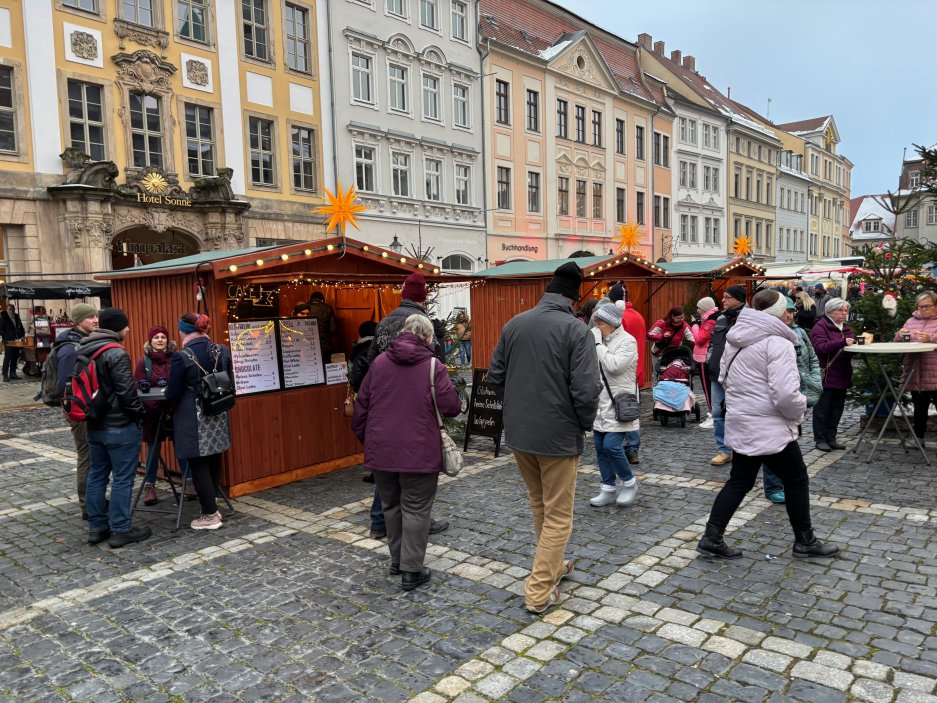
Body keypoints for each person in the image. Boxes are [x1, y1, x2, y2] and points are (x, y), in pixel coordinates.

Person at [487, 262, 601, 614]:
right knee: (558, 515)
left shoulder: (515, 323)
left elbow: (495, 377)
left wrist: (521, 403)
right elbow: (586, 390)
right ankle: (539, 591)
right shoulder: (576, 330)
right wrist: (581, 423)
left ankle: (551, 568)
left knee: (541, 505)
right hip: (557, 434)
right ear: (573, 298)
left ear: (547, 292)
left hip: (521, 432)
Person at [696, 289, 838, 560]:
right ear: (775, 313)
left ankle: (711, 538)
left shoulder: (736, 339)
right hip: (769, 426)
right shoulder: (778, 343)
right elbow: (785, 393)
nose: (790, 313)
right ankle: (805, 541)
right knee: (796, 479)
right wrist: (800, 409)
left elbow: (724, 378)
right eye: (786, 309)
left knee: (740, 481)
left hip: (743, 421)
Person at [352, 315, 460, 590]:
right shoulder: (433, 366)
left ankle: (397, 561)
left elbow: (361, 405)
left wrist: (368, 439)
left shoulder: (378, 363)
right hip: (420, 451)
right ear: (427, 338)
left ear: (402, 333)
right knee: (416, 508)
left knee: (391, 506)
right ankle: (411, 570)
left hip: (382, 449)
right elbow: (451, 407)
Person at [347, 272, 449, 539]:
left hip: (383, 397)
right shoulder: (422, 322)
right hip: (414, 399)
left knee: (388, 464)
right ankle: (418, 522)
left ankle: (379, 523)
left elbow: (371, 358)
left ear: (403, 294)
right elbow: (435, 359)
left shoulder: (385, 321)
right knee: (414, 471)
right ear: (422, 298)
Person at [79, 308, 151, 548]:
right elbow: (126, 392)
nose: (128, 329)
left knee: (97, 475)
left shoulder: (84, 348)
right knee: (122, 478)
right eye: (125, 325)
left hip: (94, 424)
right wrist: (140, 415)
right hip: (119, 425)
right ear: (116, 328)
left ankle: (97, 528)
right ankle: (121, 528)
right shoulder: (116, 353)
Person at [166, 312, 234, 530]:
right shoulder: (221, 350)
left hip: (194, 416)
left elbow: (173, 392)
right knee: (214, 458)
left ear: (184, 331)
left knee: (198, 463)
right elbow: (230, 380)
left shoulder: (181, 356)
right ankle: (212, 505)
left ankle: (210, 514)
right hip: (218, 410)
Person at [762, 297, 822, 504]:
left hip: (800, 394)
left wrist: (814, 380)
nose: (789, 314)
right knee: (777, 443)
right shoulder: (768, 336)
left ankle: (785, 482)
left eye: (791, 311)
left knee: (790, 441)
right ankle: (773, 486)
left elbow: (812, 358)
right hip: (779, 396)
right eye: (785, 311)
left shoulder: (800, 332)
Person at [587, 303, 640, 508]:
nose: (597, 327)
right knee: (600, 447)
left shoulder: (628, 341)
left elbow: (614, 366)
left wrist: (599, 345)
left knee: (611, 446)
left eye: (600, 323)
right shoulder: (598, 339)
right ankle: (607, 488)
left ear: (611, 324)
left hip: (619, 403)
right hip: (600, 402)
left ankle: (629, 482)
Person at [133, 325, 189, 506]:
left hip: (175, 412)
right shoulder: (144, 362)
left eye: (163, 337)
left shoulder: (176, 359)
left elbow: (182, 384)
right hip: (153, 414)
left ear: (167, 341)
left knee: (181, 447)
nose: (159, 340)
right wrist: (158, 409)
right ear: (150, 341)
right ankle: (150, 486)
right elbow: (138, 387)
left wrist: (170, 409)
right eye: (156, 337)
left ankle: (189, 483)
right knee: (153, 450)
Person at [52, 304, 99, 519]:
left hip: (86, 408)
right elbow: (65, 384)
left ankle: (93, 501)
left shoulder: (82, 342)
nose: (95, 320)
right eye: (90, 317)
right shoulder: (71, 348)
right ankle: (87, 506)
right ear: (78, 321)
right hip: (79, 411)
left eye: (96, 316)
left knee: (92, 455)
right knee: (86, 456)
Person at [706, 285, 747, 466]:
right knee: (717, 412)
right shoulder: (721, 318)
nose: (723, 300)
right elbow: (714, 343)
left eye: (727, 297)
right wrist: (710, 360)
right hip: (717, 373)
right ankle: (723, 450)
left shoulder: (749, 318)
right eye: (723, 297)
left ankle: (743, 450)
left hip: (740, 375)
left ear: (739, 299)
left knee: (739, 412)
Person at [810, 298, 855, 452]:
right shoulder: (821, 327)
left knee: (837, 409)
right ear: (830, 311)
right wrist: (842, 342)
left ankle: (831, 438)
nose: (844, 314)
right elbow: (821, 348)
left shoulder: (846, 328)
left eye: (845, 311)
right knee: (822, 409)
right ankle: (820, 439)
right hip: (827, 375)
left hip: (842, 374)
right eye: (840, 311)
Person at [895, 291, 937, 443]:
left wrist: (931, 338)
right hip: (916, 371)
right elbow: (897, 342)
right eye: (920, 307)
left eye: (927, 306)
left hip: (934, 371)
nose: (923, 309)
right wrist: (899, 335)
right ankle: (918, 438)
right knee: (919, 408)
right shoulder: (911, 321)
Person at [618, 284, 647, 465]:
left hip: (623, 372)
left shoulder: (620, 319)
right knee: (631, 411)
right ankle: (632, 449)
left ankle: (628, 449)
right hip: (636, 371)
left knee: (624, 411)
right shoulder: (637, 315)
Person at [691, 297, 719, 429]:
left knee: (708, 388)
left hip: (704, 357)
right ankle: (713, 413)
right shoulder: (709, 319)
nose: (697, 310)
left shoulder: (710, 321)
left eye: (699, 307)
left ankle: (713, 415)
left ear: (705, 308)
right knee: (709, 388)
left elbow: (700, 338)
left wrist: (694, 325)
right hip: (704, 356)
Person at [647, 306, 695, 372]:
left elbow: (691, 338)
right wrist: (662, 336)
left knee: (672, 373)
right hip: (659, 353)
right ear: (672, 316)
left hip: (674, 354)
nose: (682, 320)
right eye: (679, 318)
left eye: (683, 317)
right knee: (658, 373)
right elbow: (649, 335)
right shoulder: (661, 323)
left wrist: (699, 345)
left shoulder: (684, 325)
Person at [307, 292, 338, 361]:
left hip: (308, 346)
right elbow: (333, 330)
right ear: (322, 300)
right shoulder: (328, 308)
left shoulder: (305, 307)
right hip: (325, 346)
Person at [1, 303, 25, 381]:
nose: (11, 311)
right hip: (8, 341)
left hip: (17, 340)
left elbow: (21, 326)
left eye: (13, 309)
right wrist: (6, 337)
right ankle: (5, 374)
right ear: (7, 310)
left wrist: (22, 334)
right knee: (8, 357)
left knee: (15, 356)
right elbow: (1, 329)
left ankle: (13, 373)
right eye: (10, 309)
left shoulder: (16, 316)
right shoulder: (4, 317)